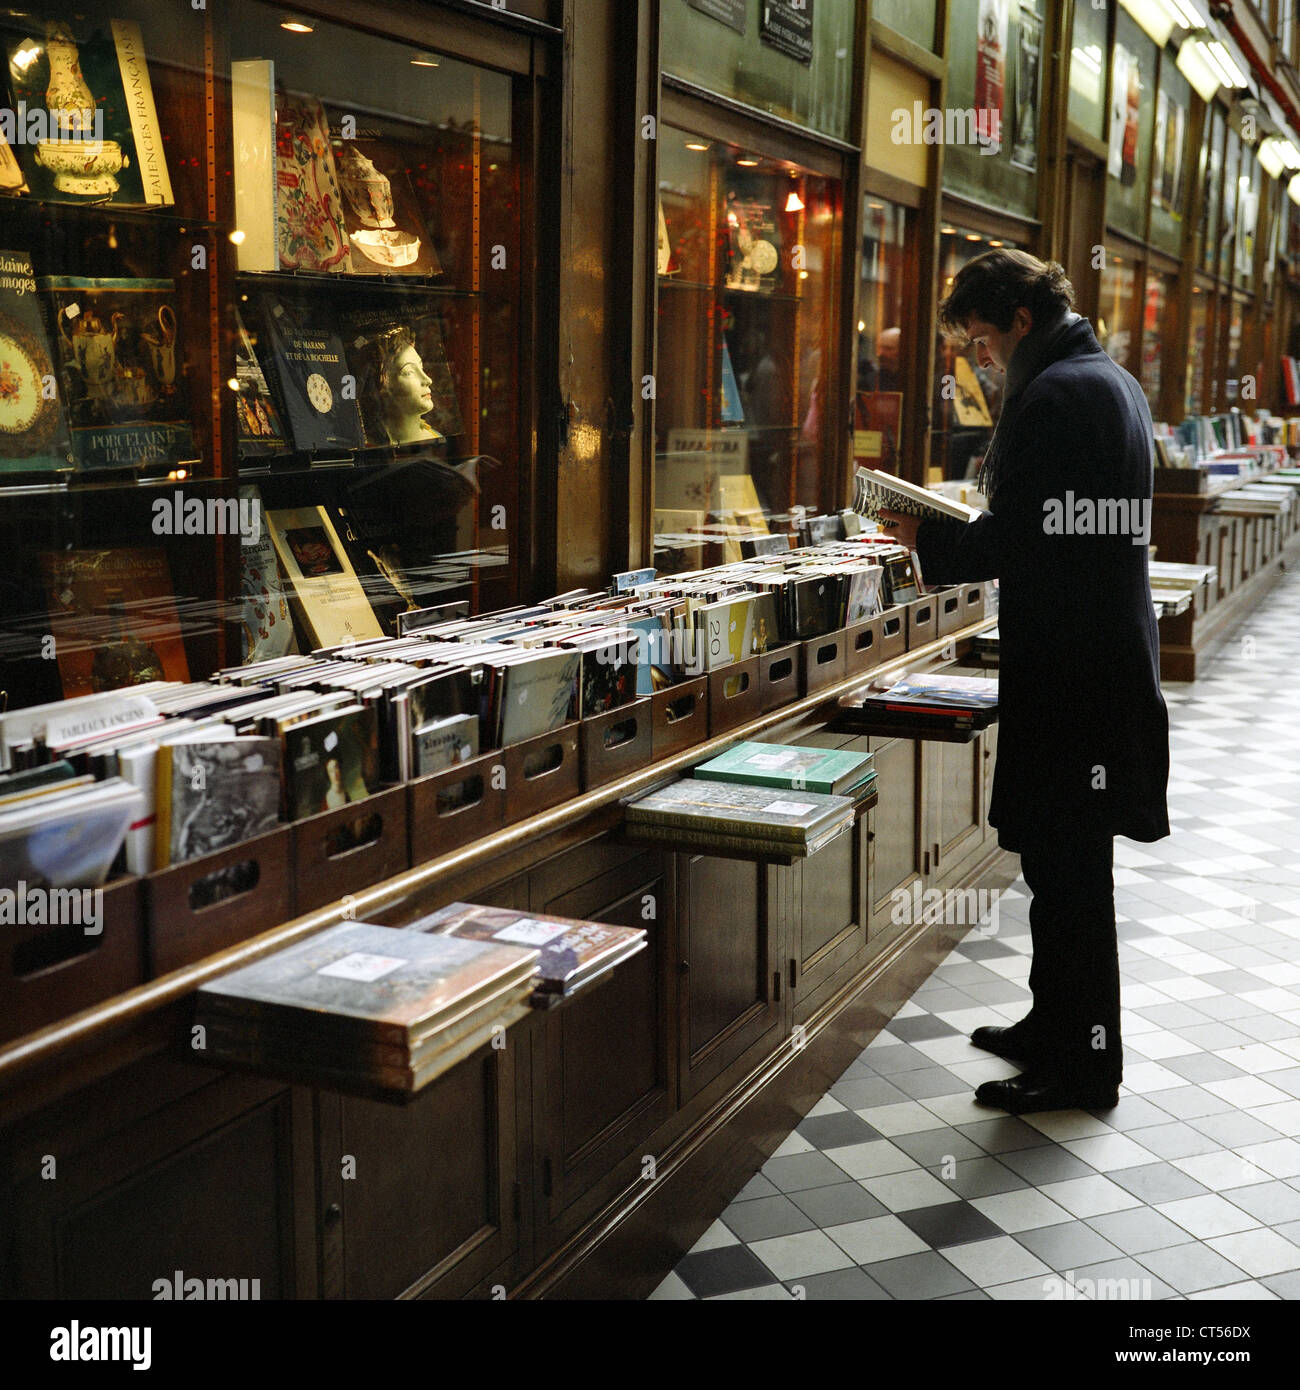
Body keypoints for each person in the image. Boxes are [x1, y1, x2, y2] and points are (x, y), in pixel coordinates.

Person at [881, 248, 1170, 1115]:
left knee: (1073, 875)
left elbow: (1017, 542)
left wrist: (920, 536)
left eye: (981, 340)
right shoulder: (1106, 380)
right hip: (1098, 660)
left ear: (1018, 319)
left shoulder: (1054, 395)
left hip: (1077, 674)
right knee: (1060, 869)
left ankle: (1083, 1066)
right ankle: (1054, 1026)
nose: (980, 359)